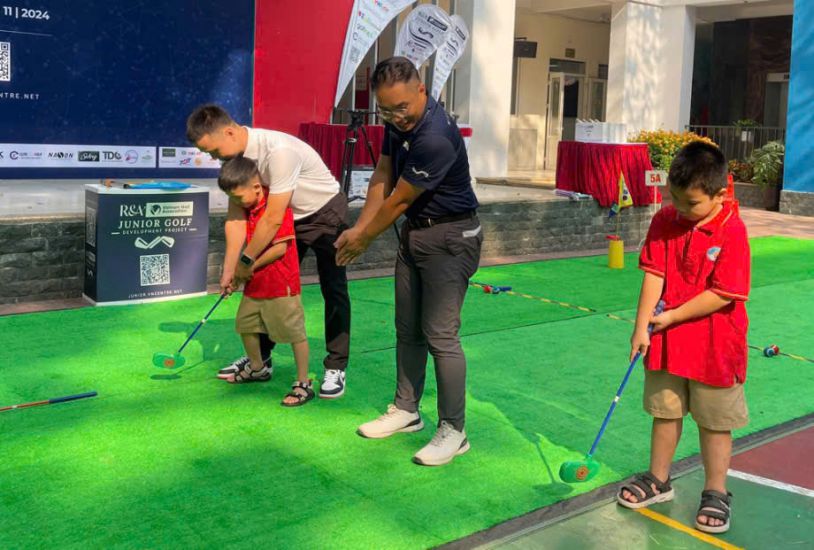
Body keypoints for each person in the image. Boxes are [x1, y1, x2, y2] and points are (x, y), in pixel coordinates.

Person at [336, 57, 482, 466]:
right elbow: (383, 173)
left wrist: (364, 238)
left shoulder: (434, 135)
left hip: (452, 237)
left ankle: (455, 429)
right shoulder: (395, 121)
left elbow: (400, 198)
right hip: (416, 234)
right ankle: (406, 410)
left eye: (402, 107)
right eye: (386, 110)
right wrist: (359, 225)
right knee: (407, 328)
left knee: (441, 335)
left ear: (422, 90)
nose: (396, 117)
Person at [616, 141, 751, 535]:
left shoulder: (732, 230)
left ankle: (715, 491)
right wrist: (641, 327)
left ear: (719, 194)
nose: (680, 209)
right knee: (665, 410)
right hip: (668, 342)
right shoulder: (664, 221)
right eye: (674, 199)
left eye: (690, 203)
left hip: (715, 344)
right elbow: (654, 274)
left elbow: (725, 292)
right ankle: (659, 480)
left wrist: (671, 315)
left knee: (714, 421)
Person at [186, 104, 351, 399]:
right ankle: (260, 361)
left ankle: (336, 365)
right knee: (265, 282)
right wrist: (230, 269)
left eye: (213, 151)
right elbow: (237, 218)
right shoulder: (235, 160)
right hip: (288, 217)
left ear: (229, 132)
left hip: (323, 213)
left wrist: (247, 260)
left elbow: (273, 218)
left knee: (334, 288)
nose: (213, 158)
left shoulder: (278, 152)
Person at [216, 156, 313, 406]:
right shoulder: (247, 210)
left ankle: (303, 381)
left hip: (281, 284)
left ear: (257, 187)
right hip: (255, 285)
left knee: (294, 333)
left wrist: (245, 268)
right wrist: (236, 274)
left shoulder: (276, 205)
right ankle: (258, 367)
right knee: (245, 324)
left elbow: (279, 249)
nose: (237, 203)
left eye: (239, 197)